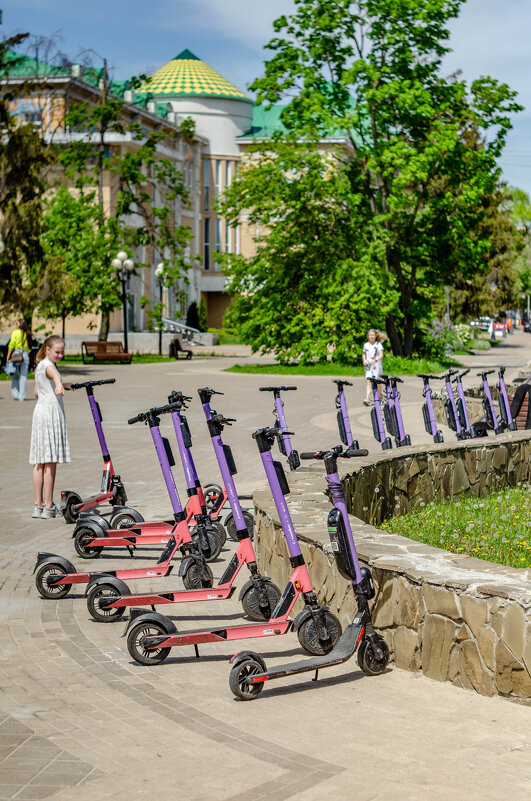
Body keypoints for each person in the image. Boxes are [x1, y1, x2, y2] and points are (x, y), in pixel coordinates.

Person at [29, 335, 73, 519]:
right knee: (50, 461)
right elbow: (53, 374)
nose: (60, 355)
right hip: (50, 416)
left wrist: (63, 385)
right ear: (47, 349)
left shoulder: (39, 365)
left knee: (40, 461)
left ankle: (38, 505)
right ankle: (49, 506)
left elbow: (36, 391)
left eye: (62, 352)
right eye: (57, 351)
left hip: (40, 414)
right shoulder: (47, 365)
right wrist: (57, 384)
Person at [6, 318, 32, 401]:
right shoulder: (27, 333)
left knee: (15, 374)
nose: (15, 325)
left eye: (16, 323)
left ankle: (15, 394)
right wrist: (26, 353)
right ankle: (22, 396)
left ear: (19, 325)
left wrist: (8, 355)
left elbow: (11, 344)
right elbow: (30, 346)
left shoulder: (15, 332)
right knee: (24, 376)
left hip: (17, 354)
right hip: (25, 354)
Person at [362, 329, 384, 406]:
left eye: (373, 335)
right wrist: (364, 360)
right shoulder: (365, 345)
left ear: (375, 336)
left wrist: (375, 360)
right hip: (368, 366)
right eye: (370, 335)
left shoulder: (378, 345)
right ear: (368, 336)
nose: (371, 336)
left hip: (376, 366)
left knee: (377, 382)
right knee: (368, 381)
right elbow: (364, 354)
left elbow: (381, 355)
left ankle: (380, 396)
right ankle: (367, 399)